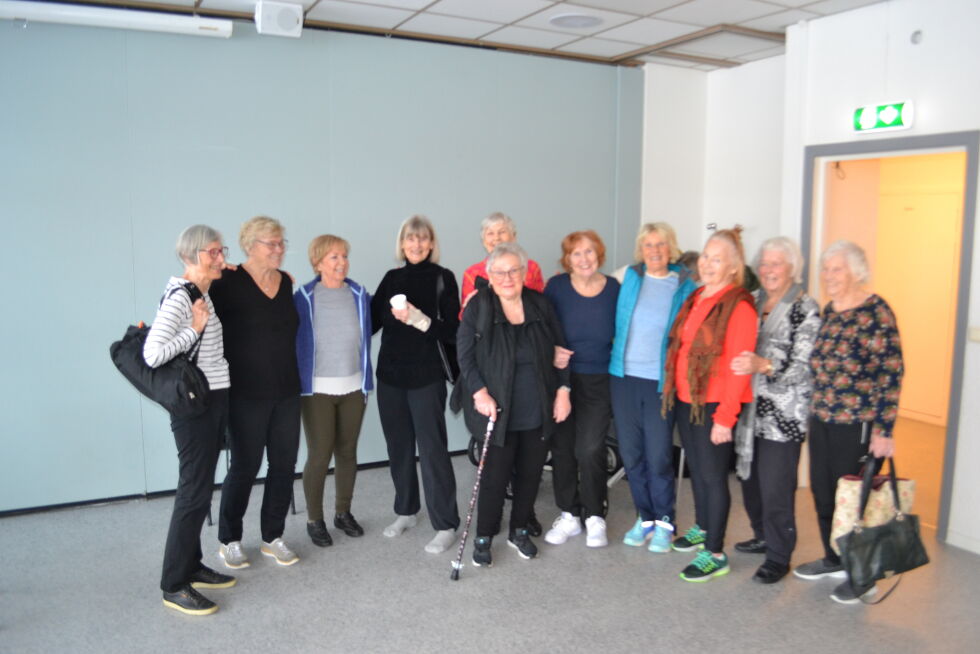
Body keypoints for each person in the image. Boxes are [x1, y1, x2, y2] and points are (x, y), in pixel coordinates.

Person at [794, 239, 904, 605]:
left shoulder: (876, 312)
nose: (829, 276)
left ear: (857, 271)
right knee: (824, 493)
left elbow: (891, 372)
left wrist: (884, 430)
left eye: (836, 269)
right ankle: (835, 558)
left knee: (854, 500)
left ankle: (863, 576)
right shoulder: (830, 309)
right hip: (822, 417)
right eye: (826, 269)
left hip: (856, 422)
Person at [452, 242, 572, 567]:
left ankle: (519, 530)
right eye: (500, 271)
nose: (508, 277)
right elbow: (464, 354)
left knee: (530, 474)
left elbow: (562, 351)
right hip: (497, 409)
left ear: (524, 272)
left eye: (514, 270)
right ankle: (484, 534)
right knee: (494, 477)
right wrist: (479, 392)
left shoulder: (540, 305)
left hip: (536, 409)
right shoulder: (479, 308)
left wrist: (563, 391)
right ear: (489, 276)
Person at [144, 225, 234, 616]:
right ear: (192, 255)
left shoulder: (202, 293)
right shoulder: (181, 298)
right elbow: (153, 354)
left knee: (200, 487)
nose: (220, 258)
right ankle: (174, 583)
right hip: (194, 408)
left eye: (221, 251)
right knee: (193, 491)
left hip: (211, 401)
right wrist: (193, 330)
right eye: (214, 253)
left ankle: (191, 564)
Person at [662, 227, 757, 582]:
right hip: (690, 401)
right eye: (705, 256)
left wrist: (725, 419)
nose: (707, 264)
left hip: (716, 405)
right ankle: (703, 526)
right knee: (699, 472)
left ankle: (715, 553)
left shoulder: (739, 306)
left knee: (714, 477)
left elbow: (738, 368)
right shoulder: (699, 295)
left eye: (717, 259)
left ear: (733, 267)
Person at [210, 216, 301, 568]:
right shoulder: (227, 282)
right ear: (250, 246)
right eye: (271, 243)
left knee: (283, 465)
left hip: (287, 390)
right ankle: (229, 539)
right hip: (245, 393)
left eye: (281, 243)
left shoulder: (286, 283)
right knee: (244, 467)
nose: (278, 249)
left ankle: (272, 537)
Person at [730, 237, 821, 584]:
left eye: (777, 264)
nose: (769, 270)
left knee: (776, 487)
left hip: (784, 414)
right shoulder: (750, 301)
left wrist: (763, 365)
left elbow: (805, 366)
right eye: (764, 264)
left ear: (791, 268)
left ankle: (779, 555)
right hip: (749, 409)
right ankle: (761, 534)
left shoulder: (805, 307)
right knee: (749, 479)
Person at [371, 215, 461, 554]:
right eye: (410, 239)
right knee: (399, 447)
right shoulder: (392, 278)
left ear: (432, 243)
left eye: (423, 239)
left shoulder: (443, 278)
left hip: (426, 377)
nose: (417, 245)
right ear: (402, 244)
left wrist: (420, 319)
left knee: (433, 449)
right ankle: (406, 510)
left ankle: (445, 524)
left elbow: (453, 331)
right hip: (390, 377)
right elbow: (370, 321)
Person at [609, 223, 697, 553]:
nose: (655, 250)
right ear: (640, 249)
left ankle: (665, 521)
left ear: (670, 247)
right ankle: (644, 518)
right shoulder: (628, 276)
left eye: (660, 244)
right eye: (648, 245)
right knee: (631, 454)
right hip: (623, 378)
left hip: (660, 382)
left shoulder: (684, 283)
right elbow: (591, 288)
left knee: (658, 454)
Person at [540, 231, 619, 548]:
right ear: (567, 259)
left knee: (590, 449)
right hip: (563, 378)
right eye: (577, 253)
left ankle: (594, 515)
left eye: (589, 252)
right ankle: (570, 513)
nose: (584, 258)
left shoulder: (614, 289)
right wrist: (550, 351)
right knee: (563, 449)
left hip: (600, 378)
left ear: (599, 253)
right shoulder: (556, 287)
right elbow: (542, 327)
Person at [294, 235, 373, 546]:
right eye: (333, 258)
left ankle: (343, 512)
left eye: (344, 256)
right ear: (318, 263)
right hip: (317, 391)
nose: (341, 263)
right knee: (319, 454)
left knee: (347, 452)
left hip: (354, 385)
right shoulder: (303, 296)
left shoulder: (359, 293)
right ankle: (315, 519)